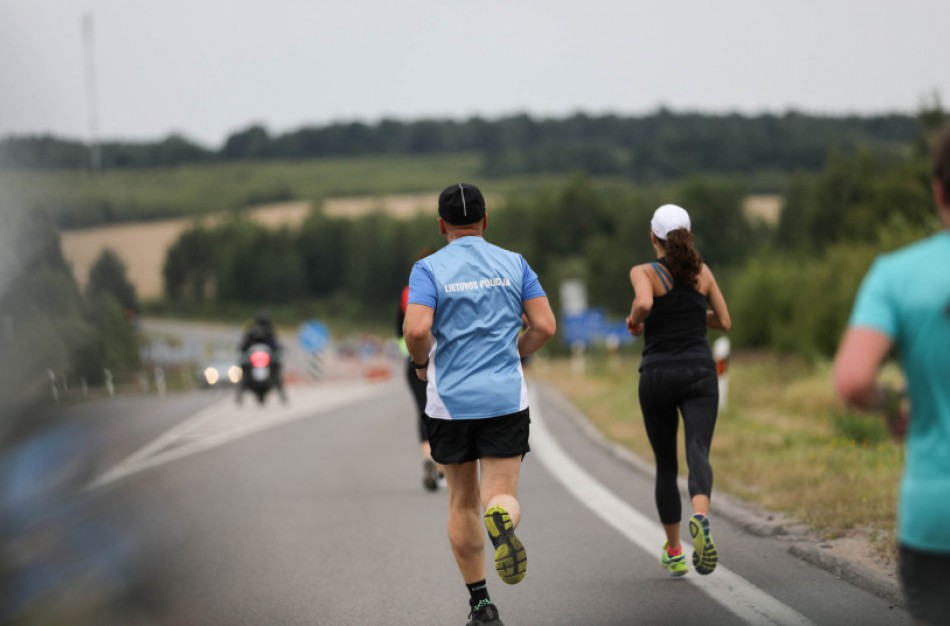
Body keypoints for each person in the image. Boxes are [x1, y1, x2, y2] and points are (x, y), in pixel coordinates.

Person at [403, 183, 555, 626]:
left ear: (441, 225)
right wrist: (517, 349)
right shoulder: (514, 263)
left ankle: (481, 605)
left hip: (450, 402)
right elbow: (545, 326)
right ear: (486, 221)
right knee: (500, 495)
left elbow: (416, 330)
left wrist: (420, 363)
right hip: (505, 396)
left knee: (461, 502)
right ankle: (501, 517)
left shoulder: (428, 268)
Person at [833, 127, 950, 626]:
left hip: (936, 517)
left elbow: (853, 379)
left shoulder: (898, 275)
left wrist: (891, 403)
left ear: (938, 189)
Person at [625, 203, 731, 578]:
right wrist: (690, 313)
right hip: (699, 373)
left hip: (657, 374)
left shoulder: (644, 272)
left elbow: (643, 302)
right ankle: (700, 517)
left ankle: (673, 550)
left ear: (653, 237)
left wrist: (636, 322)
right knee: (698, 450)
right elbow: (724, 321)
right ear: (688, 236)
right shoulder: (703, 273)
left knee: (666, 465)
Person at [395, 247, 445, 491]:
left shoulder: (409, 293)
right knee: (444, 411)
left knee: (424, 411)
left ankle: (427, 457)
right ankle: (441, 462)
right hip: (446, 359)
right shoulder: (448, 286)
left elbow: (401, 331)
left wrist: (415, 358)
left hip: (415, 360)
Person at [237, 311, 287, 404]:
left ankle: (240, 394)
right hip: (255, 358)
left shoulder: (253, 330)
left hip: (265, 358)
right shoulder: (267, 331)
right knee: (244, 369)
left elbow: (244, 344)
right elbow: (275, 344)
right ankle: (282, 395)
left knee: (276, 370)